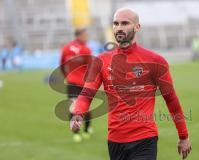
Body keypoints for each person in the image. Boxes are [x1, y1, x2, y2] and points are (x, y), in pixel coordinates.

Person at [70, 8, 192, 160]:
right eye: (116, 23)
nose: (119, 27)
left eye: (125, 23)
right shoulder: (101, 61)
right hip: (115, 140)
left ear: (137, 27)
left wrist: (183, 135)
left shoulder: (155, 61)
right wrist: (79, 113)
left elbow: (171, 100)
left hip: (145, 139)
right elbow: (87, 93)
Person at [60, 28, 93, 142]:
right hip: (82, 83)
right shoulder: (86, 50)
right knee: (82, 108)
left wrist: (66, 76)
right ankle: (84, 131)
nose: (87, 37)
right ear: (79, 36)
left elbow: (61, 65)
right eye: (85, 35)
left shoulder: (66, 48)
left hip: (73, 83)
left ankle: (78, 133)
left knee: (75, 108)